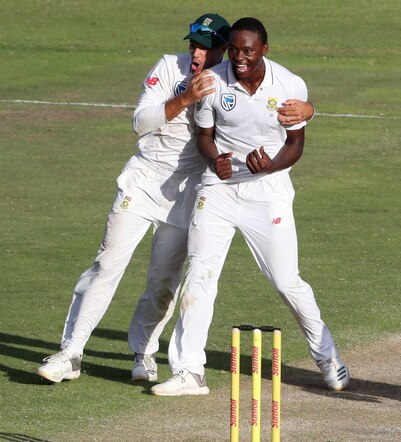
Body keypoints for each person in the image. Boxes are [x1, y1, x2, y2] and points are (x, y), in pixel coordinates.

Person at [36, 14, 315, 384]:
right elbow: (141, 122)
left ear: (224, 51)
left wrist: (310, 110)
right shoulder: (170, 67)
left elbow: (277, 107)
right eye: (193, 45)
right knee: (108, 264)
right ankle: (71, 352)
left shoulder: (230, 79)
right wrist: (185, 97)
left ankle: (144, 353)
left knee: (163, 282)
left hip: (188, 191)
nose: (196, 53)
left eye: (206, 47)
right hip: (143, 181)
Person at [150, 17, 349, 396]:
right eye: (235, 50)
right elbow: (205, 138)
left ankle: (327, 356)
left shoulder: (289, 84)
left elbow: (295, 145)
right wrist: (214, 160)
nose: (239, 58)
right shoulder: (213, 82)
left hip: (268, 190)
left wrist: (271, 165)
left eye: (248, 51)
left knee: (286, 281)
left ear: (264, 50)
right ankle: (189, 371)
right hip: (219, 189)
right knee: (200, 275)